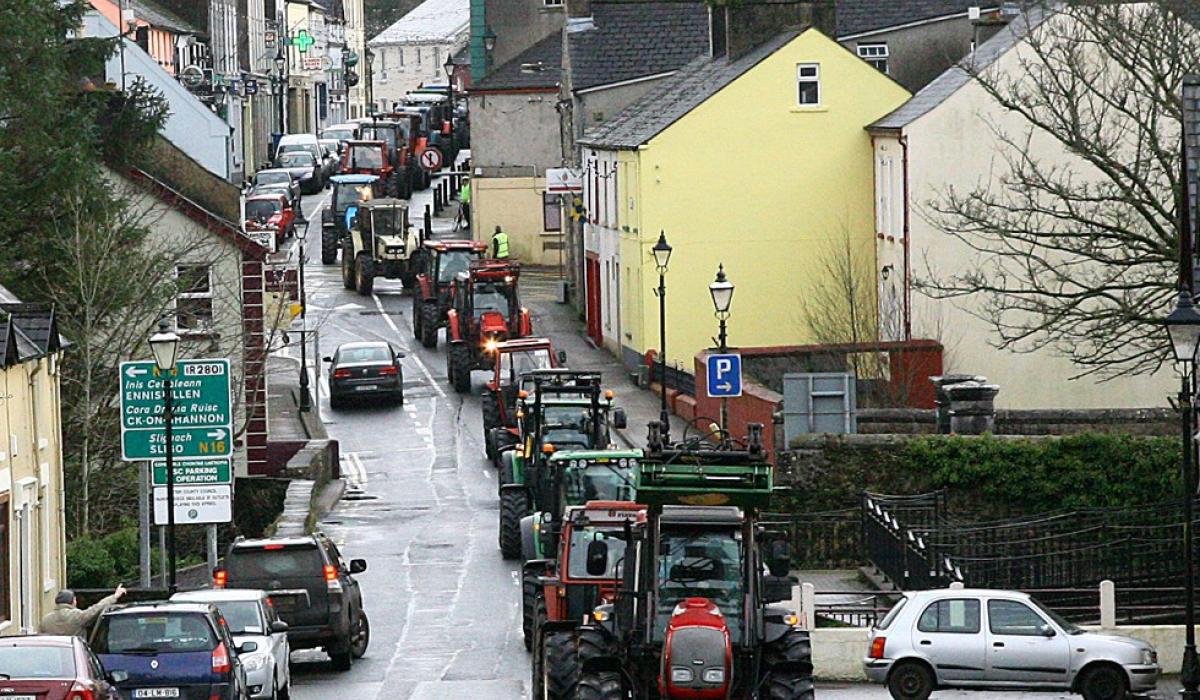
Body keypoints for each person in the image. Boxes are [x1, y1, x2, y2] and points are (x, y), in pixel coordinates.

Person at [40, 585, 126, 637]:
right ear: (73, 601)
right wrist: (115, 596)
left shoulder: (45, 620)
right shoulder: (77, 617)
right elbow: (96, 608)